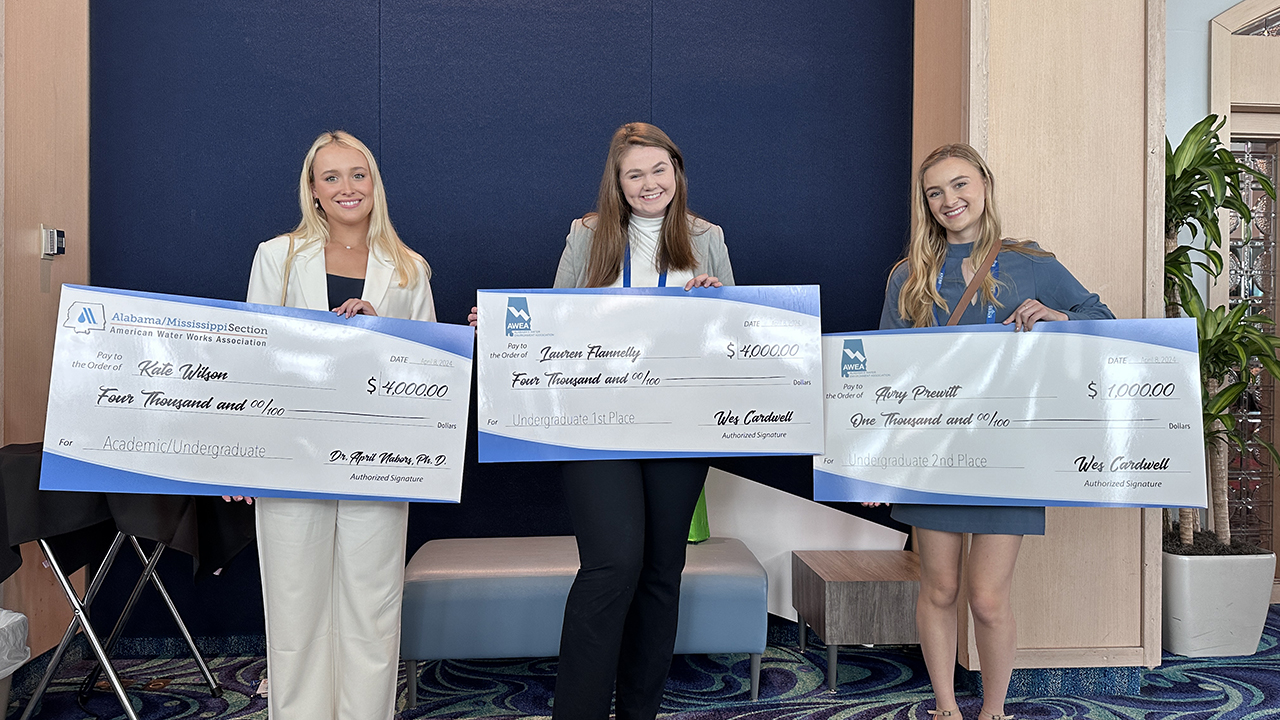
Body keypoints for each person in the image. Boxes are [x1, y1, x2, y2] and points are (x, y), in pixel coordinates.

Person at [470, 122, 731, 720]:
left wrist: (719, 305)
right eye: (634, 173)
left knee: (663, 571)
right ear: (616, 182)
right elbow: (553, 315)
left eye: (658, 170)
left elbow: (738, 338)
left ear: (677, 172)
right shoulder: (587, 235)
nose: (649, 183)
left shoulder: (706, 237)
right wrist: (503, 329)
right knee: (613, 563)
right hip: (594, 426)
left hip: (678, 427)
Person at [878, 143, 1113, 720]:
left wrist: (1057, 316)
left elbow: (1102, 321)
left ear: (984, 184)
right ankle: (944, 708)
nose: (949, 200)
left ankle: (994, 711)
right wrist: (876, 462)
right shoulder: (910, 277)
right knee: (937, 590)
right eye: (935, 192)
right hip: (934, 455)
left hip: (1011, 457)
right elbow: (882, 371)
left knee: (986, 597)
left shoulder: (1030, 264)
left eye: (959, 185)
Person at [243, 130, 435, 720]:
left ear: (374, 183)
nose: (347, 187)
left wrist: (382, 330)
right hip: (291, 458)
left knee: (372, 607)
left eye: (358, 174)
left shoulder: (408, 268)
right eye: (332, 177)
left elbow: (430, 369)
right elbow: (251, 357)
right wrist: (242, 454)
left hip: (377, 462)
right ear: (313, 190)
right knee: (295, 604)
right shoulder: (277, 256)